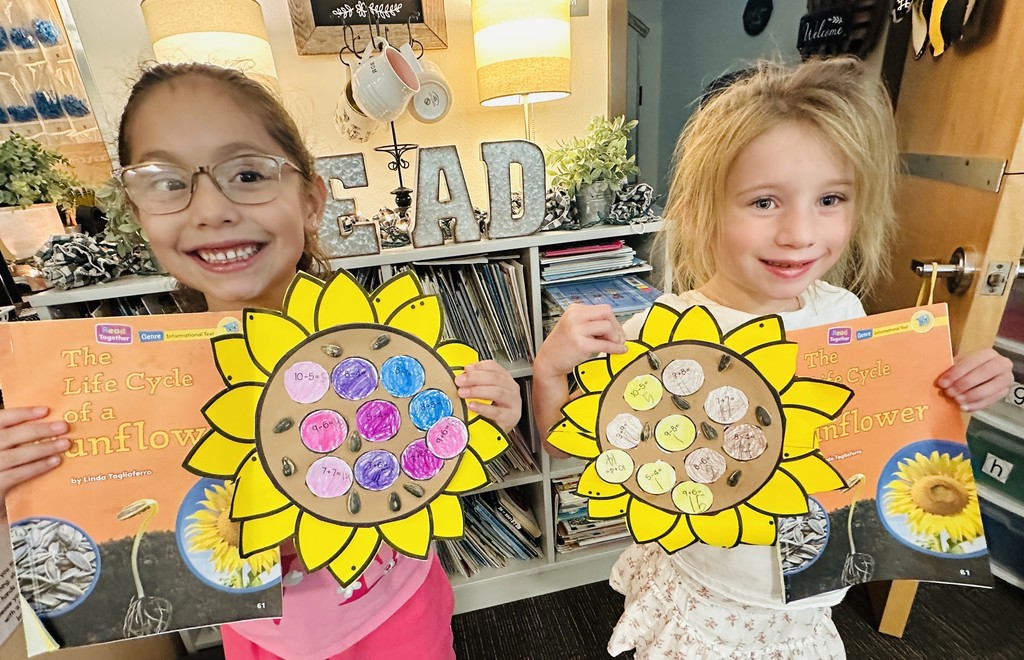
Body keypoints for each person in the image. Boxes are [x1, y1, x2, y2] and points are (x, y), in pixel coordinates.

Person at [0, 62, 523, 660]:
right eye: (168, 182)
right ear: (137, 212)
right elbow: (106, 543)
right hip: (261, 634)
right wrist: (28, 493)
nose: (212, 210)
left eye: (247, 173)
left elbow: (436, 446)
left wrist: (484, 413)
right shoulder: (132, 389)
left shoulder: (380, 346)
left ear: (311, 199)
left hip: (399, 609)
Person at [532, 56, 1014, 659]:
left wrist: (959, 388)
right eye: (764, 203)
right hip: (707, 598)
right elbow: (569, 445)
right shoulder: (661, 331)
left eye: (831, 198)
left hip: (811, 595)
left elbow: (880, 433)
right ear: (702, 206)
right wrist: (550, 371)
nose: (800, 234)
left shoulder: (842, 313)